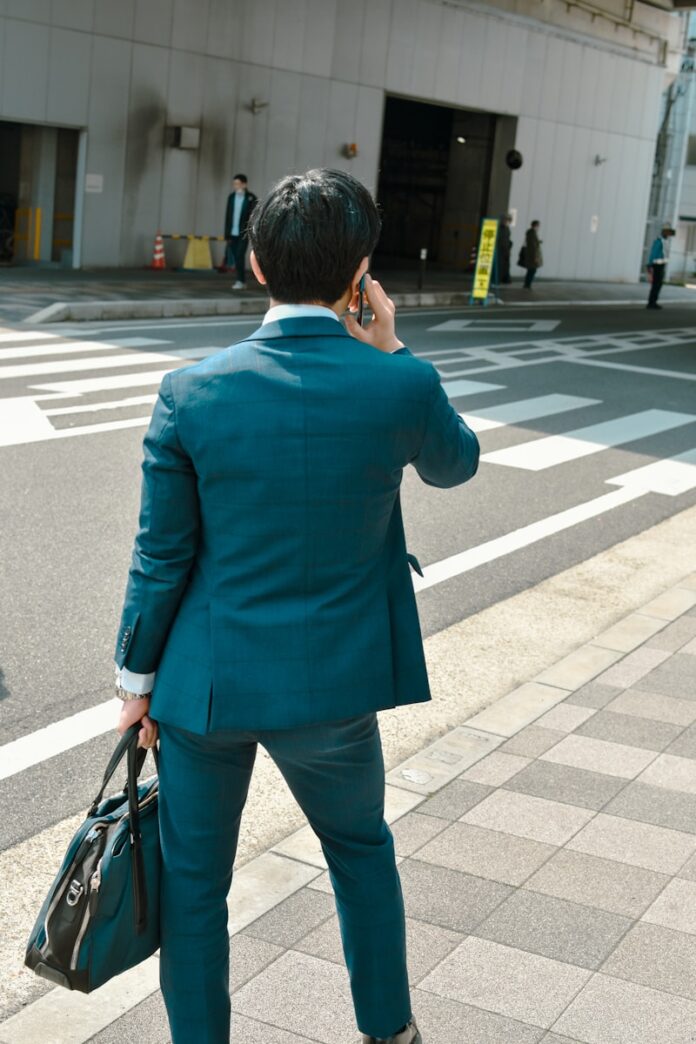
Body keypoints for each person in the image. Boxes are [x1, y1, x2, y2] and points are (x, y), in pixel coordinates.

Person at [114, 168, 479, 1044]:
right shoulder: (398, 384)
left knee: (194, 885)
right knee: (360, 853)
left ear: (255, 263)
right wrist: (393, 347)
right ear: (360, 274)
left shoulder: (192, 391)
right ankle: (388, 1030)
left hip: (206, 687)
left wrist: (136, 685)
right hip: (334, 688)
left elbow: (162, 556)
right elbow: (455, 464)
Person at [223, 173, 257, 289]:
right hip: (232, 233)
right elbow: (228, 216)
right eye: (234, 184)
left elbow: (253, 216)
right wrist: (226, 234)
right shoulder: (231, 197)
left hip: (243, 233)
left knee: (239, 255)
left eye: (238, 184)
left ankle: (240, 281)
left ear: (244, 184)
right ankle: (240, 280)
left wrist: (251, 232)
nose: (235, 186)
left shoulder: (251, 198)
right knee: (236, 256)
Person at [646, 222, 674, 309]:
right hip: (656, 265)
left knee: (658, 284)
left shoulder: (664, 241)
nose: (669, 234)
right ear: (664, 231)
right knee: (656, 284)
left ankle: (653, 302)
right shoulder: (659, 241)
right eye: (667, 231)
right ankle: (651, 303)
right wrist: (650, 264)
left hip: (661, 265)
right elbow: (654, 253)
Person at [522, 219, 543, 288]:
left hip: (530, 255)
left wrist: (538, 241)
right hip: (532, 256)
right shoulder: (532, 233)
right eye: (538, 225)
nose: (539, 227)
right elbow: (533, 246)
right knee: (532, 270)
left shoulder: (531, 232)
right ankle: (527, 284)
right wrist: (535, 257)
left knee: (531, 270)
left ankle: (527, 284)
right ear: (536, 225)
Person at [497, 213, 512, 284]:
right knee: (500, 265)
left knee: (505, 266)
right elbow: (502, 240)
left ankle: (504, 279)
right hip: (501, 250)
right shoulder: (501, 228)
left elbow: (507, 240)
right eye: (507, 220)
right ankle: (498, 279)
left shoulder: (507, 229)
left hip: (505, 250)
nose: (508, 222)